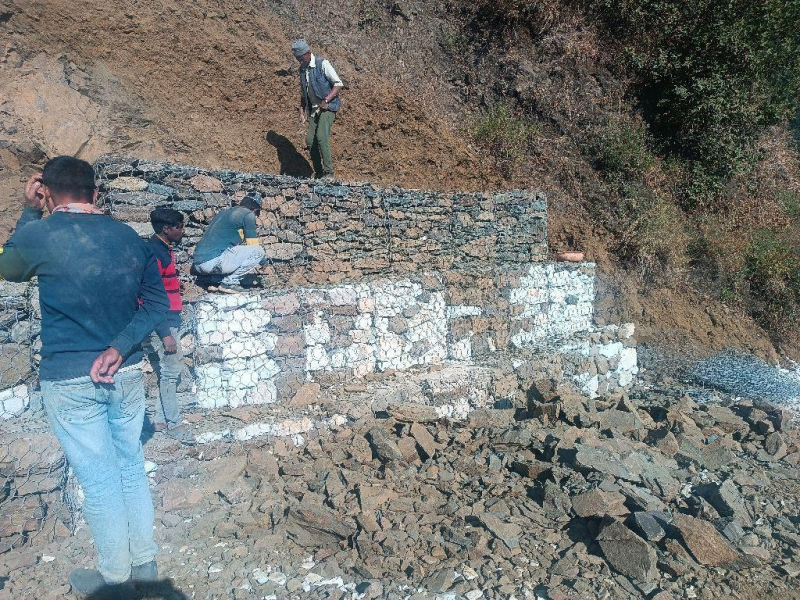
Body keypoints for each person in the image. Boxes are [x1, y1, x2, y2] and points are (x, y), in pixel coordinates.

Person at [0, 156, 169, 596]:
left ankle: (114, 580)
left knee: (99, 480)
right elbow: (157, 304)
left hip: (69, 377)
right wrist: (119, 346)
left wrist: (30, 211)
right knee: (130, 466)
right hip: (125, 370)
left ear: (47, 193)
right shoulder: (129, 237)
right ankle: (145, 565)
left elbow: (9, 269)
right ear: (95, 193)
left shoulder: (39, 234)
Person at [145, 207, 193, 444]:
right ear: (166, 229)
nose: (183, 231)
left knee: (168, 369)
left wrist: (174, 286)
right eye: (179, 227)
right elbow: (149, 295)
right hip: (162, 320)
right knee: (171, 371)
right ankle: (174, 424)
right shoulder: (155, 254)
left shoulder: (164, 249)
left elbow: (160, 284)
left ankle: (159, 419)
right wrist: (165, 333)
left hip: (168, 316)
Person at [192, 191, 266, 293]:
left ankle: (214, 282)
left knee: (230, 250)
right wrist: (263, 261)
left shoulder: (224, 212)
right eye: (257, 213)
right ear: (255, 209)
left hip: (198, 264)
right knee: (258, 251)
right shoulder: (248, 214)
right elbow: (252, 243)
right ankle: (230, 283)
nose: (255, 216)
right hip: (214, 262)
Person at [292, 39, 343, 179]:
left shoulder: (322, 64)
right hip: (314, 109)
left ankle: (329, 173)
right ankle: (319, 173)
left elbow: (338, 84)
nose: (299, 61)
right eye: (297, 59)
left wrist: (326, 100)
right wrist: (302, 109)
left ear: (308, 53)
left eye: (301, 58)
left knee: (321, 137)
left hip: (328, 107)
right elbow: (304, 92)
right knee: (310, 141)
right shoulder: (302, 70)